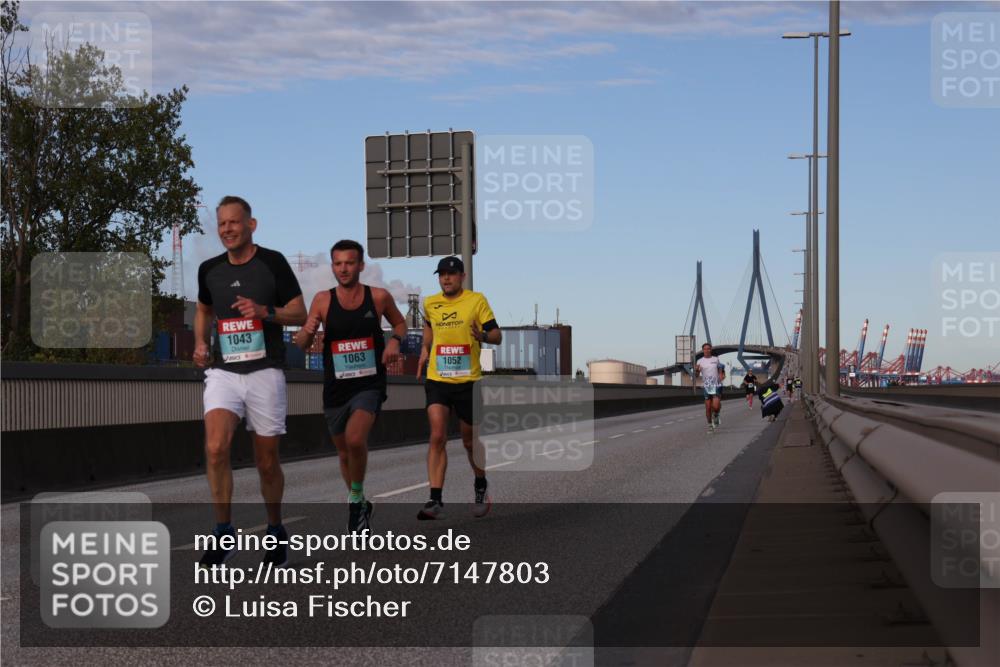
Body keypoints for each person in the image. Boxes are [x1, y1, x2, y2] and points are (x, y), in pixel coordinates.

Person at [194, 196, 306, 567]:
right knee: (215, 447)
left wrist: (264, 312)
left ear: (251, 225)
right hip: (225, 371)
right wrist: (198, 342)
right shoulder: (209, 269)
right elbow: (204, 308)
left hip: (265, 371)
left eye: (234, 223)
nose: (227, 229)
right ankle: (223, 529)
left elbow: (299, 312)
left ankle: (275, 528)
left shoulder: (272, 263)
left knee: (267, 461)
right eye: (222, 224)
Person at [294, 240, 406, 533]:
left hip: (369, 383)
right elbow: (304, 343)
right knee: (344, 453)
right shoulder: (322, 299)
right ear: (333, 266)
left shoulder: (378, 297)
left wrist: (394, 341)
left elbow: (401, 325)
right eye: (338, 263)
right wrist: (306, 333)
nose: (343, 269)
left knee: (356, 440)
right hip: (335, 387)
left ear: (360, 266)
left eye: (349, 263)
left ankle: (355, 502)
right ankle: (360, 499)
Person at [415, 256, 502, 520]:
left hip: (468, 382)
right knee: (437, 435)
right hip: (438, 379)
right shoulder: (430, 303)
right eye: (441, 274)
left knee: (469, 441)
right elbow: (429, 329)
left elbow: (497, 335)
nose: (446, 278)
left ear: (462, 276)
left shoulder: (476, 301)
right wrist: (424, 350)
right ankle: (435, 499)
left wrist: (483, 336)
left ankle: (480, 484)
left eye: (451, 274)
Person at [694, 342, 726, 433]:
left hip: (716, 385)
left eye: (708, 348)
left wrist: (721, 376)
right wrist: (697, 370)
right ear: (703, 350)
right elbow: (696, 376)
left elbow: (721, 371)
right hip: (707, 386)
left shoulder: (716, 359)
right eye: (705, 349)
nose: (707, 350)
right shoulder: (700, 361)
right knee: (708, 407)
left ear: (711, 350)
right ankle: (710, 425)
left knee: (715, 407)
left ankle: (716, 414)